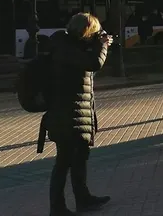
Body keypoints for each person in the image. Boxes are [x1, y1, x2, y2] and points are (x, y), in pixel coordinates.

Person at [47, 13, 112, 216]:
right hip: (66, 116)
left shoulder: (72, 47)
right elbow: (95, 64)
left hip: (76, 114)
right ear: (86, 31)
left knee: (79, 159)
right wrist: (103, 45)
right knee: (63, 162)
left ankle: (83, 198)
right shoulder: (65, 49)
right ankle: (57, 208)